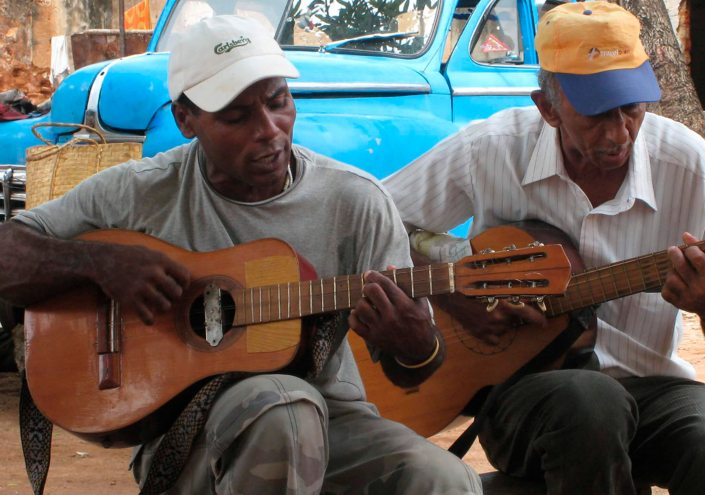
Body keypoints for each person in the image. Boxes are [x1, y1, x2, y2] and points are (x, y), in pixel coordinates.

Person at [0, 15, 481, 495]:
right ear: (186, 118)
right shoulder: (139, 193)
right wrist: (99, 264)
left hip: (335, 420)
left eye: (279, 102)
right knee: (283, 408)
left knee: (446, 481)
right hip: (193, 439)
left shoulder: (355, 202)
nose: (270, 130)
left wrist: (417, 345)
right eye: (237, 116)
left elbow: (410, 369)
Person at [384, 2, 705, 494]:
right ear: (547, 107)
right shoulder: (491, 149)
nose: (618, 133)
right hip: (524, 390)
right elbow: (376, 221)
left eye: (630, 109)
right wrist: (458, 300)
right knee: (590, 404)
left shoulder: (689, 167)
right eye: (594, 114)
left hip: (653, 385)